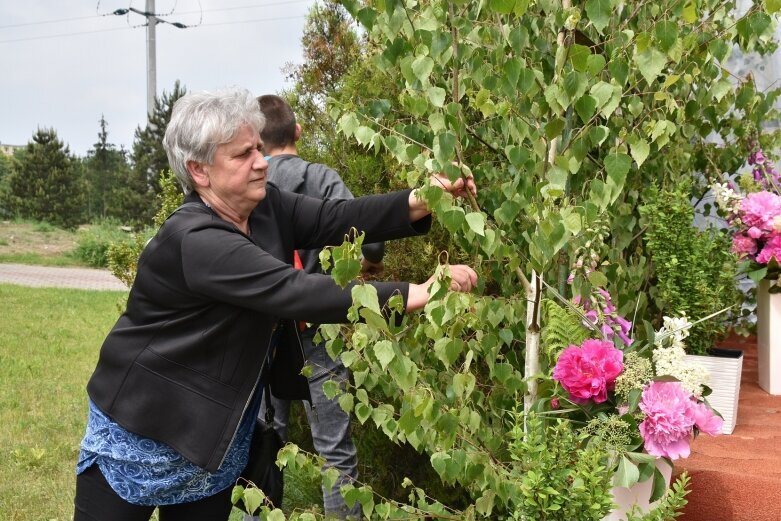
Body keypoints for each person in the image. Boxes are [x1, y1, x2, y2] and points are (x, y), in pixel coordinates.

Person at [72, 86, 478, 521]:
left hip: (213, 438)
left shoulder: (265, 208)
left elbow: (336, 218)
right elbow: (294, 290)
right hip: (142, 431)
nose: (261, 162)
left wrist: (423, 198)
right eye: (243, 154)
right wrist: (417, 292)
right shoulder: (195, 240)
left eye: (258, 149)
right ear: (199, 170)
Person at [251, 94, 376, 520]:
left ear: (256, 139)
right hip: (317, 328)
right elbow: (371, 240)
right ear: (298, 132)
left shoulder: (249, 182)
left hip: (261, 330)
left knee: (264, 441)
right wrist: (359, 267)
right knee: (334, 452)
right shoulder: (321, 179)